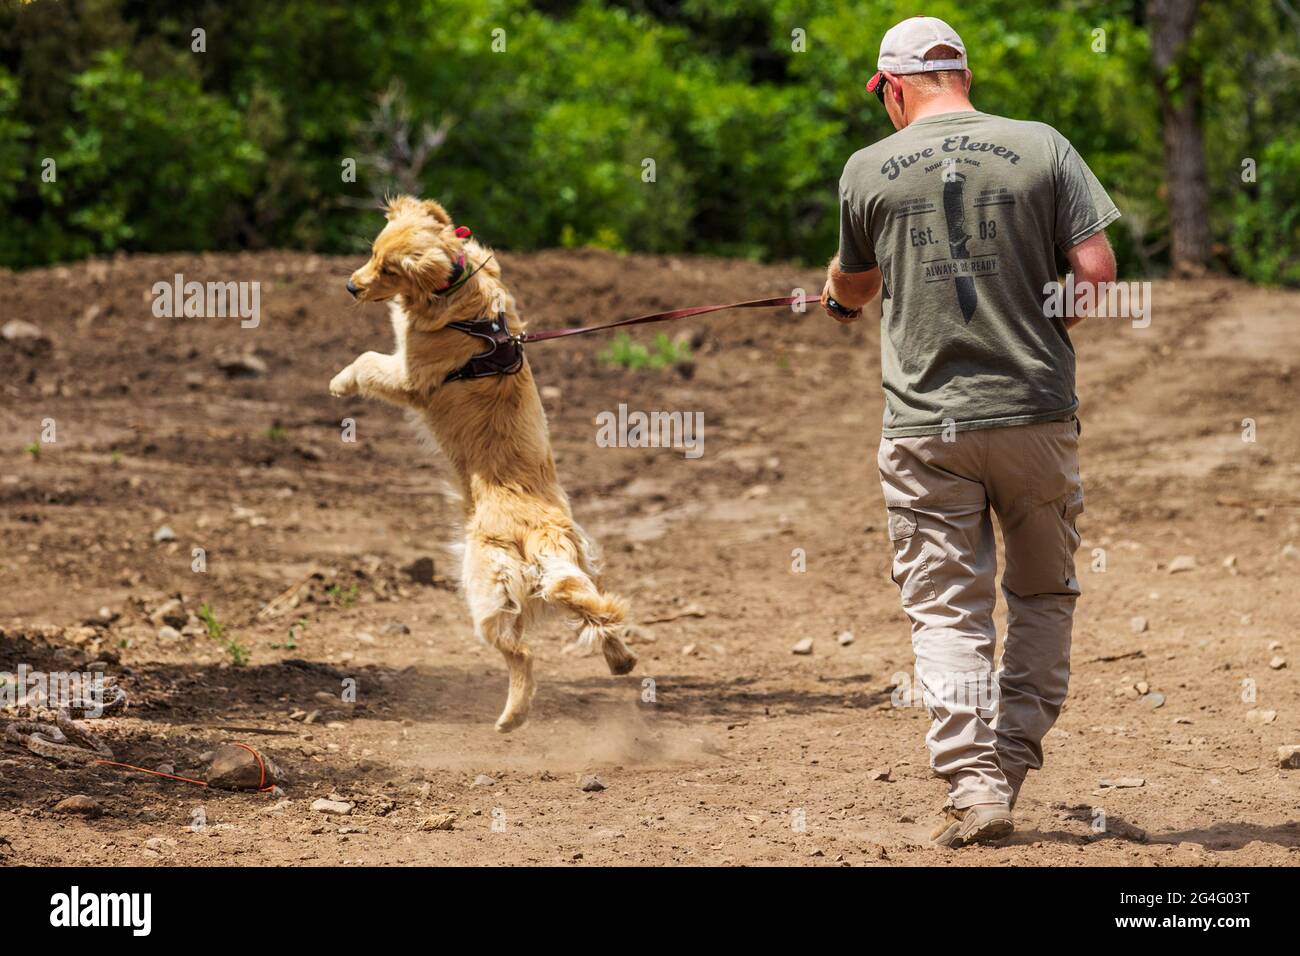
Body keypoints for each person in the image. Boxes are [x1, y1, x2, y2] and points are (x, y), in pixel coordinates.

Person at [820, 15, 1120, 848]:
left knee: (948, 614)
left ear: (892, 88)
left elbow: (855, 284)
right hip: (1035, 415)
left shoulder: (867, 169)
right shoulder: (1044, 146)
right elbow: (1095, 274)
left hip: (924, 429)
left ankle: (973, 782)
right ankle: (1012, 757)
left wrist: (838, 300)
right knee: (1041, 595)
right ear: (965, 77)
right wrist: (1039, 328)